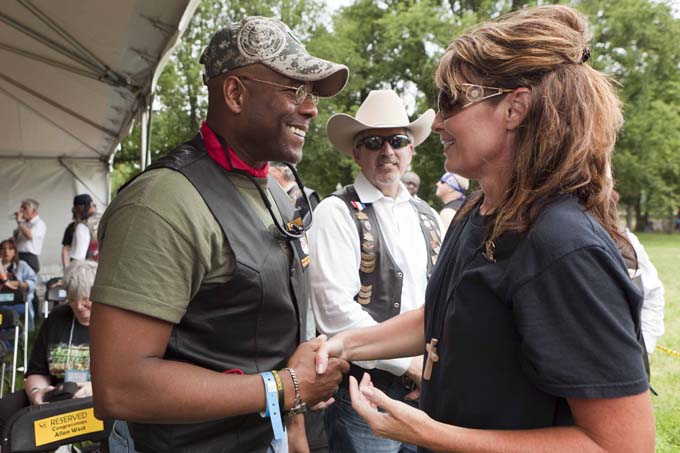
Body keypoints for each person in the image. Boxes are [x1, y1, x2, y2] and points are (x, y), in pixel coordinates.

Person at [315, 5, 654, 452]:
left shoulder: (561, 246)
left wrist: (425, 431)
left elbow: (622, 445)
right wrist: (343, 344)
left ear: (514, 107)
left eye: (451, 101)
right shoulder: (479, 211)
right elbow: (444, 316)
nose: (436, 123)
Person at [88, 16, 350, 452]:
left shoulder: (274, 192)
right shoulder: (161, 202)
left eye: (311, 93)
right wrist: (284, 386)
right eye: (294, 90)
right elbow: (120, 385)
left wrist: (294, 423)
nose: (311, 108)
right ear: (235, 93)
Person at [310, 89, 442, 453]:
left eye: (398, 140)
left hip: (427, 391)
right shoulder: (335, 212)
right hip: (364, 391)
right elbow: (336, 313)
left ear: (411, 149)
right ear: (357, 153)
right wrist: (409, 364)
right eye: (373, 142)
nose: (387, 151)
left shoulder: (429, 216)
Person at [24, 260, 97, 405]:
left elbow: (130, 378)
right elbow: (37, 371)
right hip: (58, 400)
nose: (78, 306)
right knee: (5, 409)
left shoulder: (115, 324)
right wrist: (37, 392)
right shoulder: (56, 318)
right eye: (72, 299)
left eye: (85, 299)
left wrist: (95, 389)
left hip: (99, 402)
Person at [0, 238, 36, 328]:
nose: (6, 252)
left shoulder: (22, 265)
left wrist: (17, 283)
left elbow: (32, 283)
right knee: (3, 315)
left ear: (14, 252)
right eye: (3, 248)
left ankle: (15, 337)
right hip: (1, 304)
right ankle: (6, 339)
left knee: (9, 313)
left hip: (18, 303)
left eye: (10, 249)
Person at [12, 198, 46, 273]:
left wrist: (19, 221)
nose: (21, 211)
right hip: (18, 256)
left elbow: (30, 236)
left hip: (28, 258)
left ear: (33, 211)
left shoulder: (39, 223)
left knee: (25, 283)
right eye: (21, 208)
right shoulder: (24, 223)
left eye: (24, 208)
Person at [68, 194, 99, 262]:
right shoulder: (105, 219)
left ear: (80, 208)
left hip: (90, 270)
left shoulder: (83, 226)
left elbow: (78, 259)